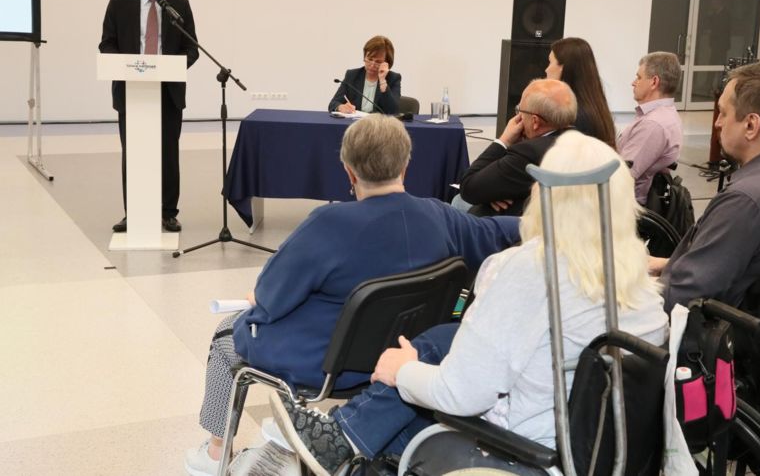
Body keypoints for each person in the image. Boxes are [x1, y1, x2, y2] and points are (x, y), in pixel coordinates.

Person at [261, 131, 669, 475]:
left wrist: (403, 371)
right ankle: (338, 436)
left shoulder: (532, 270)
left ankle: (335, 440)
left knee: (392, 420)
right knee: (440, 342)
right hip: (595, 457)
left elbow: (461, 395)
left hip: (518, 454)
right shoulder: (644, 289)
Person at [184, 115, 521, 475]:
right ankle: (284, 446)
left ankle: (215, 454)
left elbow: (270, 298)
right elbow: (499, 232)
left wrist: (258, 297)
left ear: (349, 171)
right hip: (402, 357)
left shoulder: (327, 223)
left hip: (329, 364)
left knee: (226, 334)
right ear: (406, 165)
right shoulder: (440, 216)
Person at [650, 60, 760, 312]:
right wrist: (667, 264)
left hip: (715, 326)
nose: (717, 123)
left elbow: (681, 297)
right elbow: (745, 262)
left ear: (751, 125)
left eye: (723, 113)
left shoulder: (746, 201)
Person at [99, 0, 198, 233]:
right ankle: (134, 212)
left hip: (168, 91)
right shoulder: (119, 4)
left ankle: (168, 212)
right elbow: (107, 44)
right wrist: (127, 66)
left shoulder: (179, 6)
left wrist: (172, 67)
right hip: (132, 90)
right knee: (133, 153)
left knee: (168, 154)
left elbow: (191, 47)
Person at [455, 79, 576, 216]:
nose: (518, 117)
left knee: (458, 201)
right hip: (566, 218)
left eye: (520, 111)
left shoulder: (527, 153)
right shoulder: (584, 142)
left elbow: (468, 187)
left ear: (535, 121)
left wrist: (503, 141)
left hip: (521, 224)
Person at [617, 52, 683, 204]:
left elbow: (622, 175)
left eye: (639, 77)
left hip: (628, 205)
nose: (633, 83)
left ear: (654, 82)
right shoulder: (665, 115)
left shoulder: (653, 125)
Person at [546, 37, 617, 148]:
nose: (546, 69)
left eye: (550, 63)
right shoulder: (594, 108)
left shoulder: (574, 118)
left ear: (563, 68)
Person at [328, 35, 401, 115]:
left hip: (378, 122)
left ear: (387, 63)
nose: (372, 65)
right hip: (355, 122)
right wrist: (340, 107)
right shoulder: (352, 75)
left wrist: (383, 81)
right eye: (369, 59)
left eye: (378, 62)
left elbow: (393, 111)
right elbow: (333, 103)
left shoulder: (393, 78)